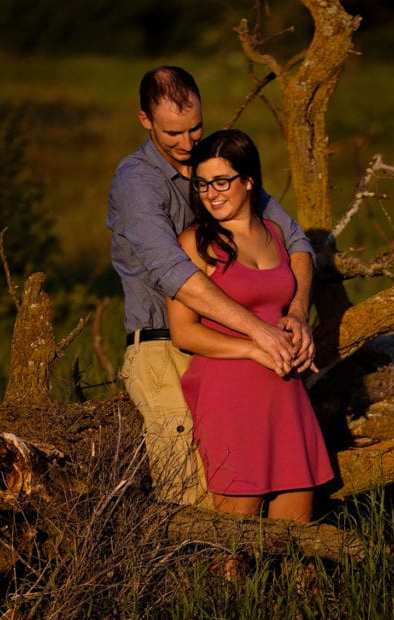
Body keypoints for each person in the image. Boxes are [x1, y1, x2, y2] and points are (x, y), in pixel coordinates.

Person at [108, 66, 316, 507]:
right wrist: (259, 331)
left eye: (195, 127)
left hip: (235, 349)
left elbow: (294, 240)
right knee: (195, 493)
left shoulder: (218, 167)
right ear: (145, 120)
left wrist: (296, 312)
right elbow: (173, 272)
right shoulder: (137, 182)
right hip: (163, 346)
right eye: (172, 133)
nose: (186, 143)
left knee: (265, 483)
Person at [167, 129, 334, 522]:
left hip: (287, 397)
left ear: (248, 181)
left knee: (299, 546)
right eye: (203, 184)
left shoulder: (276, 235)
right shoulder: (195, 244)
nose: (212, 193)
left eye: (222, 181)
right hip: (229, 397)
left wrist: (297, 315)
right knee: (235, 547)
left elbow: (299, 273)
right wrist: (251, 347)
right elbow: (184, 332)